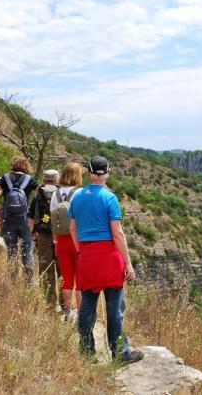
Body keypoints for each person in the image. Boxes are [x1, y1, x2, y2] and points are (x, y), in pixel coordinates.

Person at [69, 156, 142, 364]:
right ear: (107, 173)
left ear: (88, 172)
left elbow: (73, 229)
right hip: (109, 257)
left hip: (87, 255)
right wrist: (128, 263)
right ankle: (120, 353)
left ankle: (86, 352)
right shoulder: (110, 198)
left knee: (87, 307)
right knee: (115, 309)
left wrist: (80, 250)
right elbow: (117, 234)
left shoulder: (77, 197)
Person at [0, 156, 38, 284]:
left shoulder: (6, 178)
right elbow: (41, 193)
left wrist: (0, 209)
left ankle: (13, 282)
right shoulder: (29, 180)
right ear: (26, 166)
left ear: (13, 165)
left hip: (8, 220)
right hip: (25, 221)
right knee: (27, 253)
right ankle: (29, 283)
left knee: (11, 252)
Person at [50, 163, 83, 321]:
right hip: (77, 239)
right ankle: (81, 313)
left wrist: (56, 239)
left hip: (61, 240)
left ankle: (68, 311)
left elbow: (52, 219)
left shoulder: (55, 194)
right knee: (81, 279)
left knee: (67, 278)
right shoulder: (79, 193)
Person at [28, 169, 60, 308]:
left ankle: (49, 302)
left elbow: (31, 219)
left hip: (43, 235)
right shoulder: (62, 194)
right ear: (56, 180)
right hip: (61, 236)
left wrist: (32, 236)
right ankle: (66, 305)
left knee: (45, 267)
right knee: (63, 269)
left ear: (44, 179)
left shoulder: (38, 196)